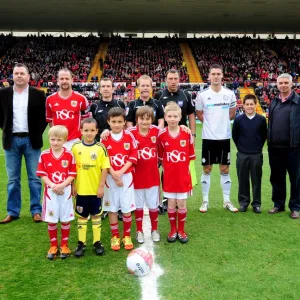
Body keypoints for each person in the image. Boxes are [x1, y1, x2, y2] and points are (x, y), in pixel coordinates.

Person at [0, 63, 47, 224]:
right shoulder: (3, 94)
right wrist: (6, 129)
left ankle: (36, 211)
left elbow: (43, 118)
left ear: (28, 77)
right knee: (13, 179)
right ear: (12, 76)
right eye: (16, 73)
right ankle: (13, 211)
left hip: (31, 140)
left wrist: (35, 133)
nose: (19, 76)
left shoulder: (38, 94)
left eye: (22, 73)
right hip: (11, 140)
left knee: (34, 178)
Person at [195, 64, 238, 213]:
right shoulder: (202, 95)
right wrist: (211, 125)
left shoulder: (230, 94)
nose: (216, 76)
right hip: (208, 138)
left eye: (218, 74)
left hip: (224, 138)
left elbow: (232, 113)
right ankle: (205, 201)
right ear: (209, 76)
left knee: (225, 169)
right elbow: (200, 114)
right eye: (213, 74)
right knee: (207, 168)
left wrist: (221, 124)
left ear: (222, 76)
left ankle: (226, 200)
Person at [155, 69, 196, 212]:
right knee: (164, 167)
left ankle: (181, 195)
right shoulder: (159, 95)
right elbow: (157, 116)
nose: (173, 81)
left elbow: (191, 115)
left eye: (175, 78)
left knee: (180, 166)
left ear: (179, 79)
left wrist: (193, 135)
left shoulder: (186, 95)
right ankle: (166, 198)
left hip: (181, 136)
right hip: (164, 138)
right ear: (166, 79)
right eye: (170, 78)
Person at [36, 125, 76, 260]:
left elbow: (72, 173)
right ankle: (53, 245)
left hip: (65, 192)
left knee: (65, 219)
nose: (55, 142)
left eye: (59, 140)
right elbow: (42, 174)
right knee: (52, 221)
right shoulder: (44, 154)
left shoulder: (70, 154)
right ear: (49, 139)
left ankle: (64, 245)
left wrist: (62, 185)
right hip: (51, 193)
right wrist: (53, 185)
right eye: (53, 139)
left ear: (64, 140)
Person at [72, 118, 110, 257]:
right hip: (81, 190)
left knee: (96, 216)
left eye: (92, 130)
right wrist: (73, 184)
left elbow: (105, 168)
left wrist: (101, 187)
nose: (89, 133)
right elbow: (71, 169)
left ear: (97, 131)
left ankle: (97, 242)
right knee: (82, 217)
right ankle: (81, 243)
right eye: (86, 130)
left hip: (95, 190)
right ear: (81, 131)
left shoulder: (100, 148)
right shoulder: (75, 147)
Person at [157, 102, 195, 243]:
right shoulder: (161, 136)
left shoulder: (186, 133)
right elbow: (160, 157)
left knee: (182, 203)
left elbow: (190, 156)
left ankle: (182, 230)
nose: (172, 119)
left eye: (175, 116)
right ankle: (173, 230)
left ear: (180, 117)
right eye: (170, 116)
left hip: (183, 177)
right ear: (165, 117)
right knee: (171, 203)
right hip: (169, 177)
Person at [101, 107, 138, 251]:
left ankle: (126, 235)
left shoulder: (129, 137)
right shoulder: (104, 138)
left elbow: (133, 156)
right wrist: (114, 173)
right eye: (114, 121)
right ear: (108, 122)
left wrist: (121, 172)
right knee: (112, 209)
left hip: (126, 178)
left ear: (124, 122)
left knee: (127, 208)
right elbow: (103, 159)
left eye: (120, 122)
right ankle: (115, 236)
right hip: (110, 179)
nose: (117, 124)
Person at [267, 73, 300, 219]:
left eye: (286, 82)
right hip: (275, 148)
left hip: (294, 148)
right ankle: (278, 205)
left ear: (292, 84)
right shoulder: (274, 102)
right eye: (281, 83)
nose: (283, 85)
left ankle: (295, 207)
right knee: (277, 178)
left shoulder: (298, 102)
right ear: (277, 84)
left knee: (296, 179)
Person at [127, 106, 161, 244]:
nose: (145, 122)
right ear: (137, 120)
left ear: (152, 120)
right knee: (139, 206)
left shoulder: (157, 131)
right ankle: (139, 230)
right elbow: (115, 135)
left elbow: (172, 130)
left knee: (153, 205)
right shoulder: (130, 133)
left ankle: (154, 229)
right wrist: (105, 132)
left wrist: (185, 128)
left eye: (148, 119)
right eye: (142, 119)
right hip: (136, 177)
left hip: (152, 176)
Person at [232, 94, 267, 213]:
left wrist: (257, 147)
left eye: (251, 104)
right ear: (243, 105)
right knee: (243, 179)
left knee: (256, 179)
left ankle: (256, 204)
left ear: (255, 104)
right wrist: (241, 147)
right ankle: (244, 202)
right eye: (247, 104)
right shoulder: (238, 119)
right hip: (242, 154)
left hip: (256, 154)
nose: (249, 106)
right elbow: (235, 135)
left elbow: (263, 136)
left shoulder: (261, 119)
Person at [46, 68, 90, 150]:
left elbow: (86, 119)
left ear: (72, 80)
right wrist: (56, 136)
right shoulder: (50, 99)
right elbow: (50, 121)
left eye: (67, 78)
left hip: (75, 140)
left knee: (77, 163)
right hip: (58, 140)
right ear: (58, 80)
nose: (64, 81)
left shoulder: (81, 98)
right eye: (62, 79)